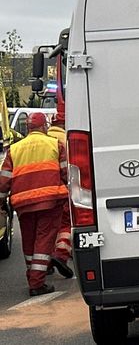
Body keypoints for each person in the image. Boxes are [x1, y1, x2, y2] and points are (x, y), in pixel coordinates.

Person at [0, 112, 69, 296]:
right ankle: (37, 283)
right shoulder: (55, 144)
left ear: (28, 128)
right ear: (44, 127)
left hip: (23, 203)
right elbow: (65, 174)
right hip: (49, 201)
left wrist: (0, 202)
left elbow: (4, 180)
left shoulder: (14, 149)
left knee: (29, 242)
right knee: (44, 240)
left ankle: (33, 274)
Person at [47, 113, 73, 277]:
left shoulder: (46, 138)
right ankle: (61, 254)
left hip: (41, 193)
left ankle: (44, 263)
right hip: (61, 190)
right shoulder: (65, 140)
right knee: (65, 225)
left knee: (46, 230)